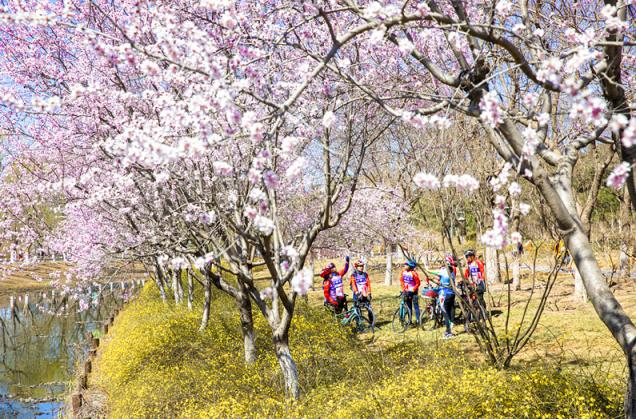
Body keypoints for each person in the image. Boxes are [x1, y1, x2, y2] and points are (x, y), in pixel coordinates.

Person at [426, 261, 456, 339]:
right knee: (448, 312)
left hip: (445, 294)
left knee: (445, 313)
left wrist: (426, 267)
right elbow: (442, 281)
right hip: (452, 294)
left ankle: (448, 332)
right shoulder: (452, 273)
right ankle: (450, 328)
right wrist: (433, 278)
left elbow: (429, 270)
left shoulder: (443, 271)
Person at [464, 249, 487, 319]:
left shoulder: (478, 262)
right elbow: (466, 274)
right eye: (466, 257)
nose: (467, 258)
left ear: (472, 256)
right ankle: (475, 315)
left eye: (468, 257)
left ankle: (484, 314)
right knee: (472, 299)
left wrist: (482, 280)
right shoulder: (468, 265)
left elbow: (483, 272)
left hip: (479, 283)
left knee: (479, 299)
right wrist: (464, 280)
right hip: (472, 284)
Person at [349, 259, 373, 324]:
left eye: (362, 266)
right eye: (360, 266)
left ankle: (372, 323)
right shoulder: (353, 275)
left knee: (369, 308)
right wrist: (356, 292)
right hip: (357, 295)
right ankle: (358, 324)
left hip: (365, 294)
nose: (361, 267)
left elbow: (368, 284)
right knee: (357, 310)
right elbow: (353, 285)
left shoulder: (365, 274)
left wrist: (369, 292)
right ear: (356, 267)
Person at [400, 259, 421, 324]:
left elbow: (418, 283)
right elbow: (401, 280)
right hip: (407, 292)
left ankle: (418, 320)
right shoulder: (403, 272)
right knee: (409, 306)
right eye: (405, 264)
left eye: (406, 265)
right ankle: (410, 320)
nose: (405, 266)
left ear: (410, 266)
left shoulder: (414, 273)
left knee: (415, 306)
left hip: (414, 292)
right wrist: (404, 288)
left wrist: (413, 289)